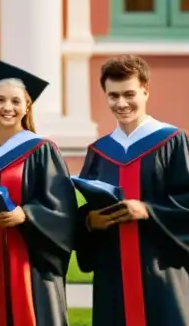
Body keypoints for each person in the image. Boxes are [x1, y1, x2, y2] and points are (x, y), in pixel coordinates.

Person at [75, 54, 189, 325]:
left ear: (145, 90)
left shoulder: (173, 141)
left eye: (129, 94)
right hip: (112, 270)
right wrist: (90, 221)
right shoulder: (99, 152)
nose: (122, 103)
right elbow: (84, 210)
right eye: (113, 96)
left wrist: (148, 210)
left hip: (161, 268)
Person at [0, 61, 76, 326]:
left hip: (31, 266)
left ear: (27, 106)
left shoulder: (42, 150)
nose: (7, 107)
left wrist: (26, 215)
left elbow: (64, 211)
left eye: (16, 101)